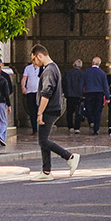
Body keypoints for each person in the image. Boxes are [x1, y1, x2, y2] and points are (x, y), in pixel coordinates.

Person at [29, 44, 79, 181]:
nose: (34, 63)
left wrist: (40, 112)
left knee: (43, 140)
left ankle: (69, 157)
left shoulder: (49, 70)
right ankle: (46, 171)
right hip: (52, 108)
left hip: (49, 109)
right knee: (43, 140)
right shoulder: (53, 68)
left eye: (34, 60)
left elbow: (46, 92)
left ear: (39, 55)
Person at [82, 56, 108, 135]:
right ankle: (96, 129)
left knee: (89, 109)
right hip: (99, 93)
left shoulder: (86, 72)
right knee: (98, 111)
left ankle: (91, 121)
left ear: (92, 63)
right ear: (99, 64)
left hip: (89, 93)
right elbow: (105, 86)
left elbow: (82, 84)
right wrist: (107, 97)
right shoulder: (102, 73)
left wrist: (81, 93)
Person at [61, 58, 84, 131]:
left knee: (69, 111)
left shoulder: (68, 73)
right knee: (78, 111)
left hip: (70, 95)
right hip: (79, 95)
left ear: (74, 65)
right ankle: (77, 127)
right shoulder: (83, 74)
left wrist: (65, 92)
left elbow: (64, 83)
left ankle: (70, 126)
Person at [21, 58, 41, 132]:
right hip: (30, 92)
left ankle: (40, 128)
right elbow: (24, 78)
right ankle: (34, 129)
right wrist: (23, 87)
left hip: (39, 92)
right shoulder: (28, 68)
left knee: (39, 109)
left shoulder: (41, 68)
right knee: (32, 111)